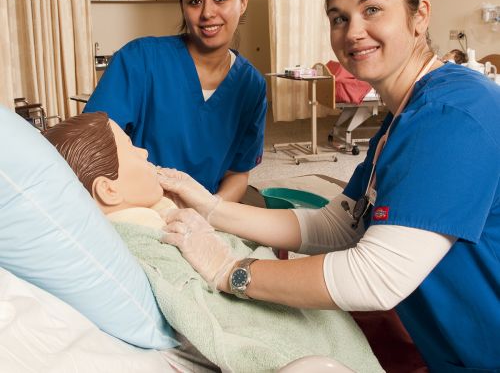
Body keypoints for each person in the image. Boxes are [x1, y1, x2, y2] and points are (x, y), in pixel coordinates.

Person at [159, 0, 500, 372]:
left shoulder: (455, 114)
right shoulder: (400, 124)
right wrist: (211, 208)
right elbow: (338, 225)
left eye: (372, 9)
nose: (354, 31)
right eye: (339, 18)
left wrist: (230, 270)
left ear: (420, 14)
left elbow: (376, 277)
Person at [43, 112, 382, 373]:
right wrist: (227, 267)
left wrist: (208, 208)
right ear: (109, 190)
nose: (145, 150)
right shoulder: (141, 243)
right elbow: (208, 319)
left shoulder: (162, 216)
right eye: (132, 150)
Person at [84, 0, 267, 202]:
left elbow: (238, 172)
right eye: (194, 1)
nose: (207, 13)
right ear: (182, 6)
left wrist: (210, 213)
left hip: (209, 211)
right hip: (139, 207)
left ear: (243, 2)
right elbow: (92, 147)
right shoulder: (140, 60)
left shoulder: (251, 85)